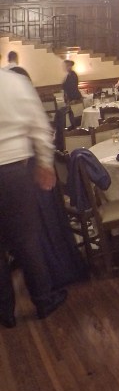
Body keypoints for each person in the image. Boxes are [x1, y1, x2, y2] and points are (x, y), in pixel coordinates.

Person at [0, 69, 68, 328]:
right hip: (14, 173)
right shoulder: (14, 82)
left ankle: (5, 312)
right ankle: (43, 300)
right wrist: (45, 162)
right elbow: (39, 126)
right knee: (27, 240)